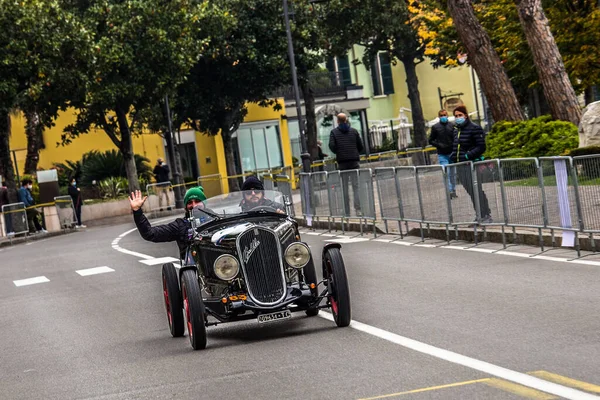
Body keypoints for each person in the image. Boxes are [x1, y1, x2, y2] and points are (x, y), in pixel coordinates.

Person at [129, 186, 207, 257]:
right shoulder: (180, 225)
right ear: (186, 207)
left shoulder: (217, 219)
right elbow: (150, 233)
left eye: (197, 201)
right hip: (192, 267)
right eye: (190, 202)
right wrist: (137, 211)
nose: (194, 205)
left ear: (204, 203)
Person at [449, 105, 492, 223]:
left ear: (466, 116)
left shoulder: (474, 128)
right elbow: (457, 146)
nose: (458, 118)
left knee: (476, 190)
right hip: (460, 165)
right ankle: (479, 215)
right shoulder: (456, 130)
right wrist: (454, 155)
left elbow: (481, 147)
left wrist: (468, 156)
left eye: (460, 115)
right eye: (456, 116)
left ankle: (486, 214)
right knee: (471, 192)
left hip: (472, 165)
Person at [328, 113, 364, 215]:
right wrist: (354, 151)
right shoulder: (354, 131)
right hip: (354, 162)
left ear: (338, 121)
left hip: (342, 163)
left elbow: (332, 146)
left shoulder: (334, 132)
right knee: (356, 187)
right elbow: (361, 146)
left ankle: (346, 210)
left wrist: (339, 151)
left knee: (344, 187)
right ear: (346, 120)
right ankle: (358, 209)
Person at [429, 109, 456, 198]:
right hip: (442, 154)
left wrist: (454, 146)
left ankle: (453, 189)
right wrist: (439, 145)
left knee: (453, 173)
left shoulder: (452, 126)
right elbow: (431, 140)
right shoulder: (435, 127)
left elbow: (456, 138)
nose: (443, 117)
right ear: (439, 117)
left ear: (447, 115)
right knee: (446, 173)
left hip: (452, 152)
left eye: (444, 115)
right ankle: (450, 190)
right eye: (441, 115)